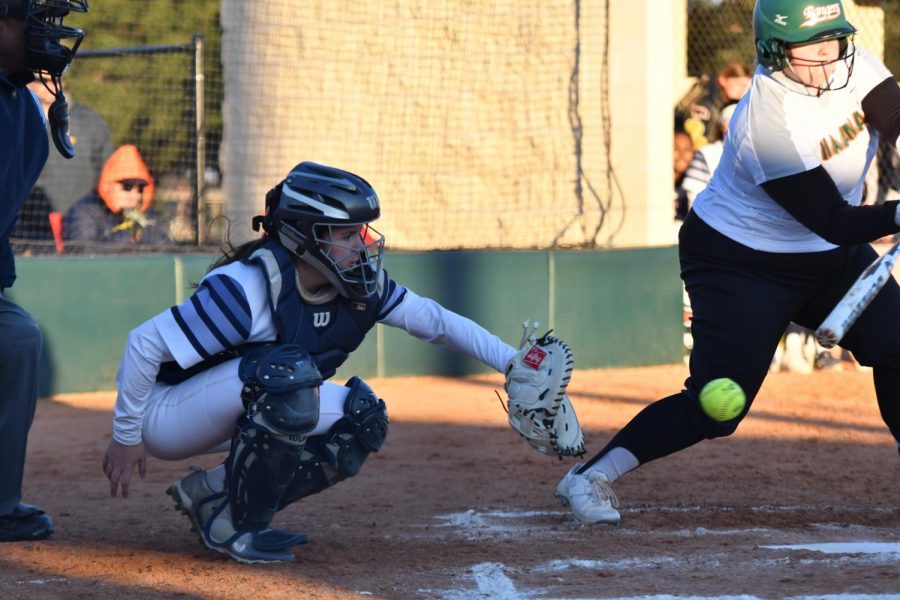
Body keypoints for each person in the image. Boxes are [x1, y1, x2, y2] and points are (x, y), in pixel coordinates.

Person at [556, 0, 900, 525]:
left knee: (897, 343)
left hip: (826, 255)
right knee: (720, 404)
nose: (829, 57)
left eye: (834, 40)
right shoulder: (766, 120)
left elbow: (894, 116)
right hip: (741, 262)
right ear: (774, 50)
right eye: (813, 46)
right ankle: (590, 476)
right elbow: (830, 219)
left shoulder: (852, 62)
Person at [101, 161, 529, 564]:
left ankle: (215, 498)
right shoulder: (247, 288)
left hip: (241, 401)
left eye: (361, 231)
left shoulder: (359, 284)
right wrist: (126, 436)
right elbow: (143, 345)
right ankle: (228, 524)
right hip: (165, 415)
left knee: (361, 420)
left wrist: (513, 364)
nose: (361, 243)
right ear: (303, 236)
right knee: (288, 379)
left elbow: (435, 321)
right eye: (345, 234)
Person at [0, 0, 89, 542]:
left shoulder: (25, 110)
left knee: (17, 338)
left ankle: (2, 504)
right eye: (31, 20)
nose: (46, 34)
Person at [12, 78, 113, 247]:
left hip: (81, 226)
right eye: (33, 79)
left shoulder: (90, 122)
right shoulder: (13, 118)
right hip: (27, 228)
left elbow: (108, 173)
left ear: (62, 81)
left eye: (46, 80)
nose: (40, 86)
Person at [63, 144, 171, 249]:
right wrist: (130, 233)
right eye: (127, 187)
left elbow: (167, 250)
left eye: (140, 189)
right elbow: (84, 254)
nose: (135, 195)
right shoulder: (85, 212)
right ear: (108, 186)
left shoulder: (145, 217)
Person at [680, 61, 752, 150]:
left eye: (746, 86)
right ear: (723, 80)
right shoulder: (705, 106)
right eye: (739, 85)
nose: (742, 90)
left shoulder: (722, 102)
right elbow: (697, 143)